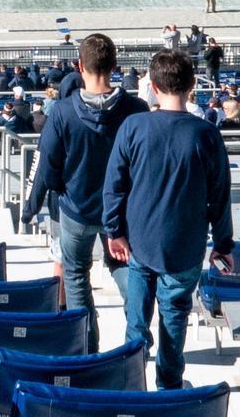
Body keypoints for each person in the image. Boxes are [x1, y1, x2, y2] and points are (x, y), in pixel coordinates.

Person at [102, 49, 234, 390]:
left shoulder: (134, 126)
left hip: (140, 242)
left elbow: (113, 186)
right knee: (173, 320)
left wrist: (114, 231)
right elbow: (220, 197)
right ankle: (168, 389)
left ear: (154, 86)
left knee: (136, 320)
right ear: (191, 86)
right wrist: (223, 244)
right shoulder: (206, 134)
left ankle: (132, 384)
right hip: (183, 245)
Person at [26, 33, 144, 352]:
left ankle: (89, 352)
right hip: (120, 212)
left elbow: (48, 170)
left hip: (77, 210)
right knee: (124, 269)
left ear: (80, 67)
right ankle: (136, 343)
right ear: (115, 66)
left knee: (77, 277)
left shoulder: (63, 112)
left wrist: (66, 189)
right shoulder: (136, 109)